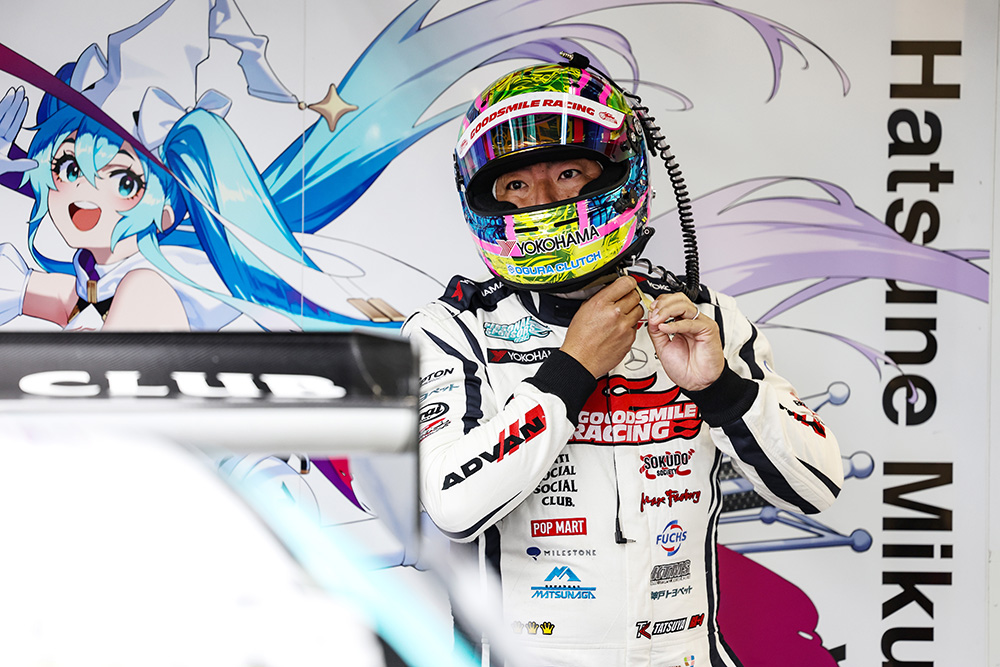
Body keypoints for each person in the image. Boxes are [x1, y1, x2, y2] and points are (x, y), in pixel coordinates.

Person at [402, 62, 843, 666]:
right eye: (516, 185)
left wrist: (721, 390)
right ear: (485, 200)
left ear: (619, 175)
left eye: (567, 173)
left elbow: (818, 484)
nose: (544, 203)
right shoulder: (454, 329)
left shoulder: (703, 317)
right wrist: (571, 370)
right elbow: (453, 507)